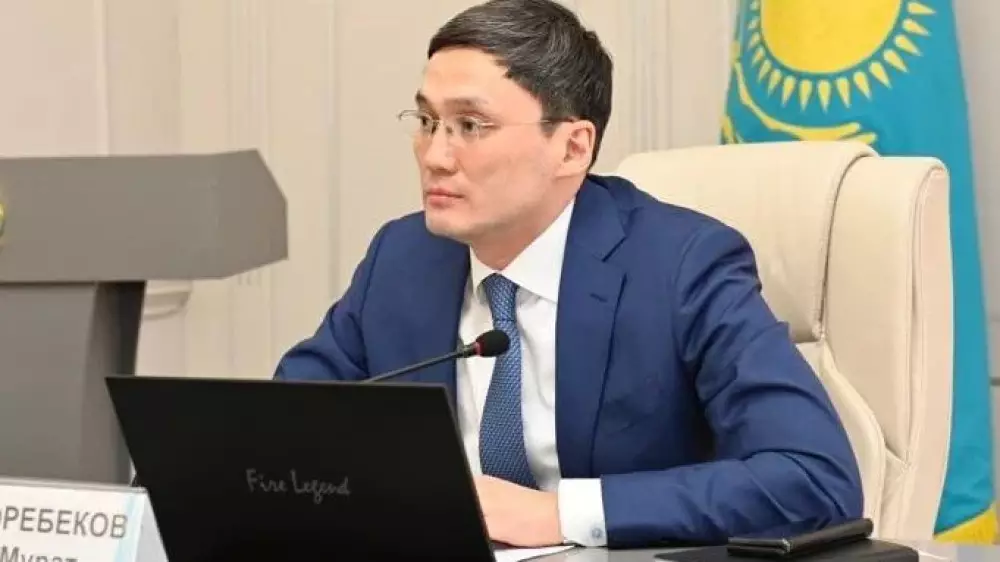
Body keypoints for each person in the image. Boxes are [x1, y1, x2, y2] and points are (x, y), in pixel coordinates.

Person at [274, 0, 863, 550]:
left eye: (470, 126)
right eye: (428, 121)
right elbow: (282, 434)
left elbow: (813, 479)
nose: (435, 156)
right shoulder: (404, 258)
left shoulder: (682, 267)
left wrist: (556, 514)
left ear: (573, 148)